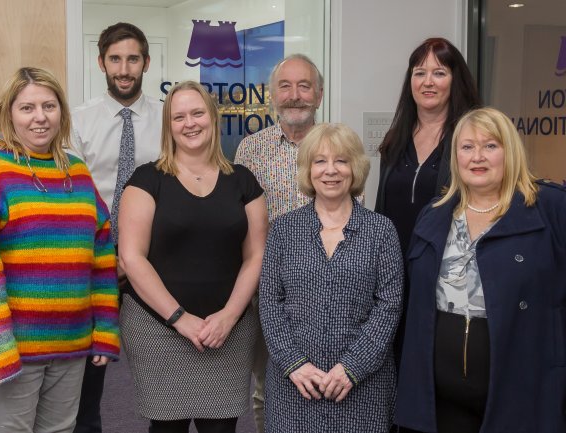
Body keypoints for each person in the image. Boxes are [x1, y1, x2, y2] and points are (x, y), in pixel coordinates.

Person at [0, 67, 120, 433]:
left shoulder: (76, 170)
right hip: (11, 352)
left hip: (70, 347)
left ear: (62, 112)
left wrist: (105, 329)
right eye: (27, 108)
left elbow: (102, 259)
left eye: (49, 106)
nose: (40, 117)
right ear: (9, 113)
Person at [395, 107, 566, 433]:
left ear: (510, 151)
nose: (478, 157)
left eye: (490, 146)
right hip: (439, 404)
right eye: (467, 147)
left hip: (520, 398)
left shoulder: (551, 209)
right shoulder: (434, 215)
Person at [118, 80, 268, 433]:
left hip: (228, 331)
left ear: (213, 118)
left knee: (221, 427)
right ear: (168, 126)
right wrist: (180, 318)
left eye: (198, 113)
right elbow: (132, 257)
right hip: (157, 329)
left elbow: (256, 255)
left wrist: (229, 317)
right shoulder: (146, 179)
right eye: (178, 116)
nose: (190, 123)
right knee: (166, 428)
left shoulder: (243, 181)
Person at [259, 123, 403, 432]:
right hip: (294, 386)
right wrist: (293, 363)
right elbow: (270, 303)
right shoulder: (283, 231)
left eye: (341, 160)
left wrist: (352, 367)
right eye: (319, 161)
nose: (331, 170)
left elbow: (389, 307)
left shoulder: (381, 231)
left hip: (363, 387)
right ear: (308, 170)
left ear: (355, 168)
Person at [70, 22, 162, 433]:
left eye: (133, 59)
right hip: (93, 262)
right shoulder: (77, 120)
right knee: (88, 380)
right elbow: (70, 194)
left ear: (146, 62)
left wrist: (134, 255)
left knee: (163, 374)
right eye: (115, 59)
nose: (124, 69)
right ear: (101, 62)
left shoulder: (168, 121)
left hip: (154, 261)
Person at [233, 53, 322, 433]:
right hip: (265, 290)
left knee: (323, 379)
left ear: (318, 94)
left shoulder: (337, 144)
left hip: (324, 287)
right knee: (268, 385)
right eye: (285, 86)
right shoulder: (249, 151)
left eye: (304, 86)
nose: (294, 95)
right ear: (272, 95)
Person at [375, 37, 481, 255]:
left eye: (439, 73)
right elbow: (381, 211)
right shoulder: (394, 140)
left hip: (445, 271)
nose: (428, 82)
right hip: (393, 269)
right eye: (420, 73)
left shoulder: (469, 140)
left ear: (455, 81)